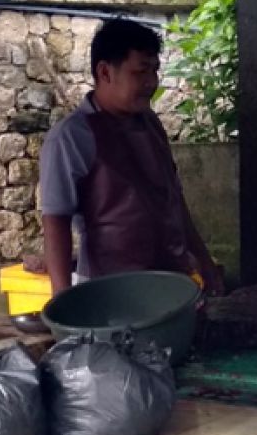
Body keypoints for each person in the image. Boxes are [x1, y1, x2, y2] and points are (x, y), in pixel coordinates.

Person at [39, 18, 222, 296]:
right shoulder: (70, 137)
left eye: (155, 70)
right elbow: (56, 221)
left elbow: (174, 199)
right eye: (141, 72)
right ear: (105, 73)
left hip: (171, 282)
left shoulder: (151, 124)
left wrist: (205, 264)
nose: (152, 82)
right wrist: (63, 302)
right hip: (111, 293)